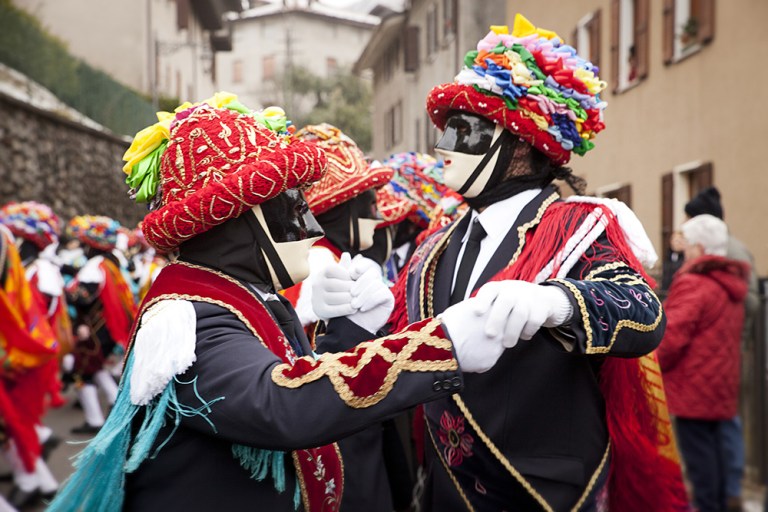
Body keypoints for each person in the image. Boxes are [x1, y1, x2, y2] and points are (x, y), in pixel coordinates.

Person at [47, 94, 514, 511]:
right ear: (242, 222)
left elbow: (299, 389)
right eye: (293, 211)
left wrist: (348, 331)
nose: (312, 228)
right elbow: (281, 404)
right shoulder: (187, 317)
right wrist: (439, 346)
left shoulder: (238, 298)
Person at [316, 15, 687, 510]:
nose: (442, 147)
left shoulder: (578, 228)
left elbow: (643, 311)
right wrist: (359, 321)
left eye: (463, 130)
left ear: (520, 143)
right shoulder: (434, 247)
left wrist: (557, 300)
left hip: (542, 492)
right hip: (446, 492)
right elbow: (403, 354)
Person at [657, 214, 750, 512]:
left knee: (701, 465)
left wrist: (647, 364)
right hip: (720, 385)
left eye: (688, 246)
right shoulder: (730, 283)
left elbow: (671, 337)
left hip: (693, 388)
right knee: (719, 458)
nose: (684, 252)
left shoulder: (695, 283)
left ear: (698, 247)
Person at [684, 186, 758, 511]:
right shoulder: (726, 252)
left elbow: (749, 301)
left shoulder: (730, 252)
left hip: (727, 350)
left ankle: (729, 492)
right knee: (719, 429)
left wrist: (731, 332)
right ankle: (723, 492)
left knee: (725, 427)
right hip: (721, 350)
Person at [0, 224, 60, 509]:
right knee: (13, 419)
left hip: (28, 343)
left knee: (14, 417)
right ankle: (38, 479)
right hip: (19, 342)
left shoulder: (42, 270)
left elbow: (45, 308)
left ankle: (35, 477)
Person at [65, 215, 137, 434]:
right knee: (95, 368)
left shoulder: (94, 266)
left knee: (83, 372)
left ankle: (95, 419)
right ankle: (116, 404)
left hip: (93, 330)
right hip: (103, 329)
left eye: (86, 245)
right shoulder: (109, 264)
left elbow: (83, 298)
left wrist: (68, 294)